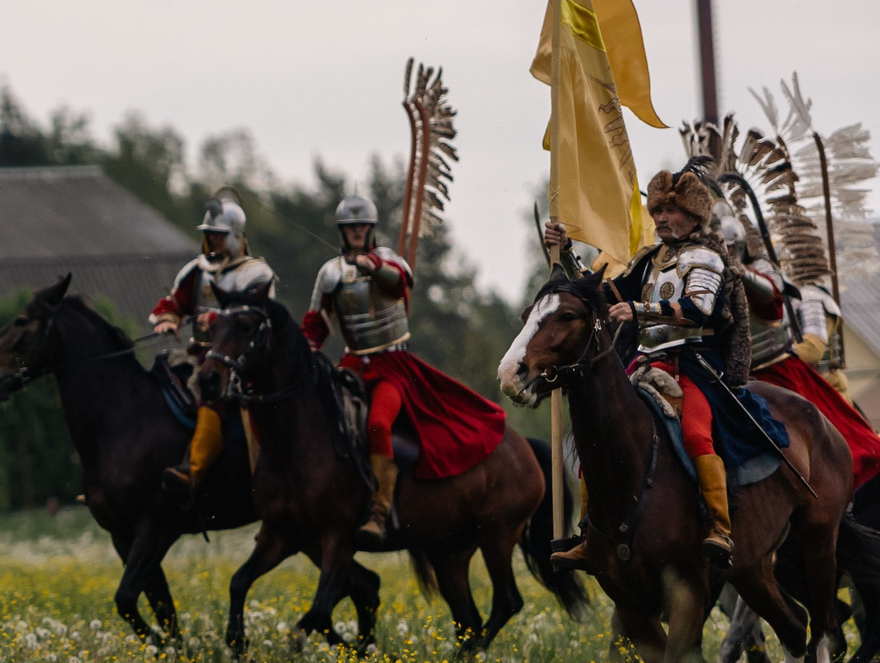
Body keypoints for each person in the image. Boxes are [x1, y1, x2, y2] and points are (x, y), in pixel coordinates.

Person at [540, 166, 770, 567]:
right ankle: (589, 535)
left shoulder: (707, 257)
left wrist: (640, 308)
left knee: (698, 434)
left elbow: (699, 307)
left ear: (694, 215)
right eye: (658, 209)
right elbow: (603, 291)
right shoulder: (651, 258)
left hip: (694, 364)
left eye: (671, 210)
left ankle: (720, 528)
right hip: (647, 362)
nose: (661, 217)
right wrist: (566, 251)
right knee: (599, 438)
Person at [300, 194, 505, 543]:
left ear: (371, 229)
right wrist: (306, 348)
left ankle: (379, 513)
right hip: (351, 364)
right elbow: (315, 323)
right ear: (342, 231)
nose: (356, 231)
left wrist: (373, 268)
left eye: (361, 225)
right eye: (350, 227)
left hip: (393, 366)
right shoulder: (330, 273)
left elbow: (399, 284)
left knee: (378, 424)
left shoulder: (388, 261)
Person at [723, 206, 880, 488]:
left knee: (852, 445)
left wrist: (785, 348)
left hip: (814, 378)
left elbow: (813, 351)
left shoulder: (810, 298)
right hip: (754, 372)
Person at [153, 197, 276, 497]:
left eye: (218, 234)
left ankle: (193, 471)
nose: (212, 240)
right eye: (209, 234)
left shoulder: (256, 274)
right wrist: (168, 319)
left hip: (236, 360)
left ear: (235, 236)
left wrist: (216, 318)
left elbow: (253, 317)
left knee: (212, 398)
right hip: (198, 352)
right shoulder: (197, 270)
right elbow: (175, 302)